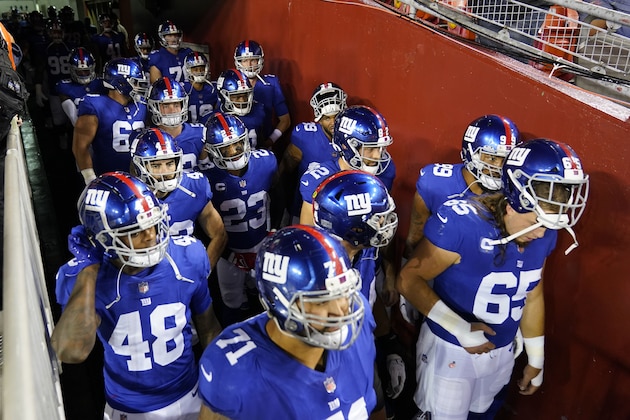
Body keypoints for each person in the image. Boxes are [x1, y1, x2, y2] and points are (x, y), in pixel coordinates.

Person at [396, 139, 590, 419]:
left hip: (502, 352)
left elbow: (532, 292)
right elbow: (408, 279)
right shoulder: (463, 222)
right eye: (538, 221)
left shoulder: (546, 231)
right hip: (451, 349)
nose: (543, 233)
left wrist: (537, 357)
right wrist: (459, 328)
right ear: (515, 202)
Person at [51, 172, 223, 419]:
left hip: (191, 392)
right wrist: (89, 270)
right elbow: (70, 352)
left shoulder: (188, 256)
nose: (151, 236)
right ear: (102, 237)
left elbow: (208, 328)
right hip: (130, 409)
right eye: (135, 231)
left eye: (153, 223)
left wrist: (216, 386)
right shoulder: (81, 277)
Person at [197, 225, 377, 419]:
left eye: (344, 292)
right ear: (280, 302)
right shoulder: (235, 372)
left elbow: (371, 393)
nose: (341, 309)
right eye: (322, 300)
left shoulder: (358, 317)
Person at [399, 115, 520, 325]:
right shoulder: (435, 183)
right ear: (469, 153)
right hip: (435, 270)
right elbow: (415, 236)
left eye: (505, 159)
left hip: (480, 279)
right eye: (491, 158)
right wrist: (408, 274)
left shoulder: (513, 193)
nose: (499, 167)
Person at [312, 170, 407, 416]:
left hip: (360, 350)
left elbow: (368, 298)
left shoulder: (363, 250)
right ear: (354, 228)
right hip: (325, 365)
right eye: (379, 219)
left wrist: (388, 345)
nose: (386, 224)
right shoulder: (313, 273)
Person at [201, 111, 278, 325]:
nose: (234, 152)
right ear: (212, 151)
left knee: (265, 295)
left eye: (237, 144)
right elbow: (205, 227)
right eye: (226, 148)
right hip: (230, 254)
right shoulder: (206, 179)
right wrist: (228, 254)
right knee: (231, 300)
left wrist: (272, 235)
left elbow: (277, 195)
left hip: (262, 243)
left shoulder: (266, 162)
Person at [130, 127, 227, 270]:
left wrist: (203, 273)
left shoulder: (194, 187)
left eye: (169, 164)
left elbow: (219, 234)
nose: (165, 172)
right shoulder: (127, 198)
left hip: (186, 271)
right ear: (140, 167)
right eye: (156, 165)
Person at [299, 105, 396, 226]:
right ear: (347, 146)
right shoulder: (319, 180)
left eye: (381, 148)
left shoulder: (386, 171)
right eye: (371, 148)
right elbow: (309, 234)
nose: (377, 156)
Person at [278, 81, 347, 224]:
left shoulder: (353, 139)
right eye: (327, 117)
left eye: (336, 116)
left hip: (340, 214)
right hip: (306, 208)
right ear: (319, 119)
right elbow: (284, 172)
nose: (333, 122)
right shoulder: (305, 136)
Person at [72, 57, 148, 185]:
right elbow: (80, 147)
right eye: (135, 82)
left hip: (139, 176)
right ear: (121, 83)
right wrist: (90, 178)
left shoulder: (142, 105)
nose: (138, 87)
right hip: (108, 177)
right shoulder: (94, 104)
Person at [233, 39, 291, 149]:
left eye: (253, 60)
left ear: (259, 61)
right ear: (238, 62)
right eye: (244, 60)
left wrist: (270, 141)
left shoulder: (271, 83)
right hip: (235, 146)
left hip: (262, 145)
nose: (249, 65)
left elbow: (285, 120)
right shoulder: (230, 84)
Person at [146, 76, 206, 172]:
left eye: (176, 105)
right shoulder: (146, 139)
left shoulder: (200, 133)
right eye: (165, 105)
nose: (172, 110)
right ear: (154, 107)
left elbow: (209, 172)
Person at [216, 68, 265, 148]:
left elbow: (262, 141)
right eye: (236, 96)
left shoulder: (258, 111)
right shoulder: (213, 119)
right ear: (223, 96)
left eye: (245, 95)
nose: (242, 100)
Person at [56, 47, 105, 127]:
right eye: (79, 71)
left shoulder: (101, 83)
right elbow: (73, 118)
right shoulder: (64, 86)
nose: (83, 74)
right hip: (81, 127)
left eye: (86, 71)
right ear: (72, 70)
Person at [182, 51, 219, 124]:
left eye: (202, 68)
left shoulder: (214, 88)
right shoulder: (182, 89)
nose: (199, 72)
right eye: (195, 69)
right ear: (188, 70)